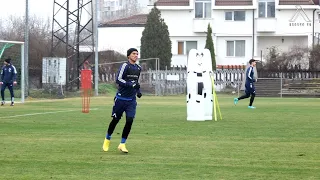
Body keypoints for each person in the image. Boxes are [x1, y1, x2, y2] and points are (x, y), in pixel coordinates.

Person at [102, 48, 142, 153]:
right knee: (115, 120)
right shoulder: (125, 66)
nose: (136, 55)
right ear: (128, 55)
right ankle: (107, 139)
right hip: (120, 99)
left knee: (129, 121)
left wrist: (138, 91)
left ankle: (122, 144)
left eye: (137, 54)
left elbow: (136, 82)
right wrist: (130, 84)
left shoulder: (138, 68)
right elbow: (118, 80)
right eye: (134, 54)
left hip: (131, 101)